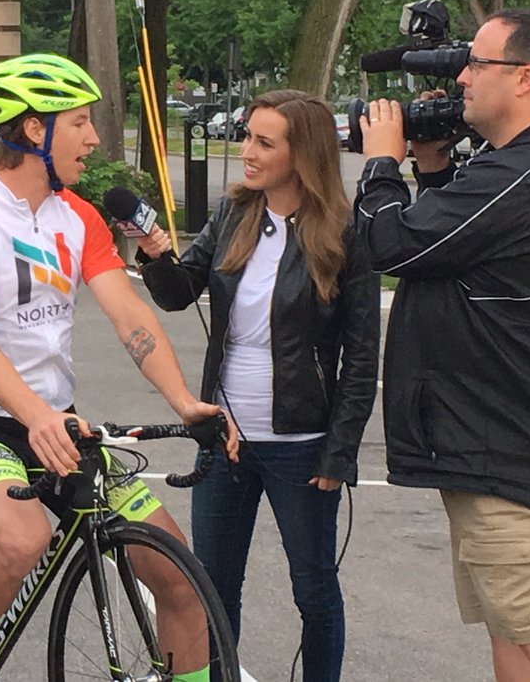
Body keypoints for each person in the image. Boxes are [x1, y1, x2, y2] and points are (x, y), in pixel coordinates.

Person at [0, 53, 238, 682]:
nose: (94, 138)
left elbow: (132, 319)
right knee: (22, 541)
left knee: (180, 576)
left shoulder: (80, 217)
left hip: (60, 424)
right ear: (35, 129)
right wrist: (36, 415)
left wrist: (184, 402)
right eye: (80, 122)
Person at [355, 8, 530, 682]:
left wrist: (382, 163)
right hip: (496, 437)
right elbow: (459, 251)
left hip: (513, 444)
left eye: (477, 63)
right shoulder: (520, 169)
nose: (463, 77)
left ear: (527, 78)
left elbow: (390, 244)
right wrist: (432, 170)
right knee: (512, 629)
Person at [135, 89, 380, 682]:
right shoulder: (233, 213)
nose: (246, 150)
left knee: (315, 592)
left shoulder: (346, 232)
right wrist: (152, 254)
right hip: (224, 438)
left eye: (263, 142)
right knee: (212, 589)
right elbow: (177, 294)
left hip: (302, 445)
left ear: (304, 155)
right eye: (247, 135)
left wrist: (339, 450)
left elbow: (363, 356)